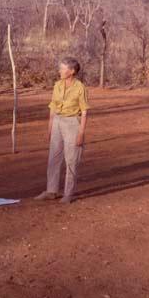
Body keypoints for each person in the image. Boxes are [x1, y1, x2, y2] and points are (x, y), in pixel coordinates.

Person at [34, 57, 90, 204]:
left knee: (71, 160)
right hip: (57, 122)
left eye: (62, 68)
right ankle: (51, 191)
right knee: (53, 158)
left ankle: (68, 194)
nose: (59, 71)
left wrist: (81, 134)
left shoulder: (80, 88)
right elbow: (53, 107)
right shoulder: (57, 85)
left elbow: (84, 112)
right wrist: (50, 128)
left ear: (71, 71)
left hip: (73, 124)